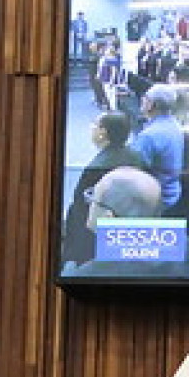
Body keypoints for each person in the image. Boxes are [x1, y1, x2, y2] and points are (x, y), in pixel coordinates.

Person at [61, 112, 144, 268]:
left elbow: (81, 206)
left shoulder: (98, 168)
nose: (91, 128)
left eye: (95, 125)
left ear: (103, 132)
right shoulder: (136, 157)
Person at [132, 83, 187, 212]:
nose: (142, 99)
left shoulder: (149, 136)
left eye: (146, 97)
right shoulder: (174, 124)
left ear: (151, 105)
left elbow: (135, 171)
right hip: (173, 193)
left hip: (156, 201)